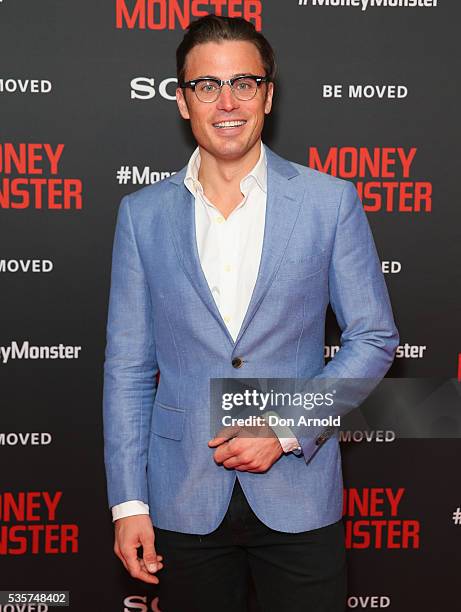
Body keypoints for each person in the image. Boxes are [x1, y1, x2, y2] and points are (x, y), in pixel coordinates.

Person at [103, 14, 399, 612]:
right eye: (206, 86)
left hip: (300, 493)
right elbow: (128, 369)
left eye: (244, 82)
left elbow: (372, 336)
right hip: (183, 494)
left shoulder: (328, 202)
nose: (227, 101)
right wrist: (129, 503)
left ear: (268, 94)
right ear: (183, 101)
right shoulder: (143, 215)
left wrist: (285, 428)